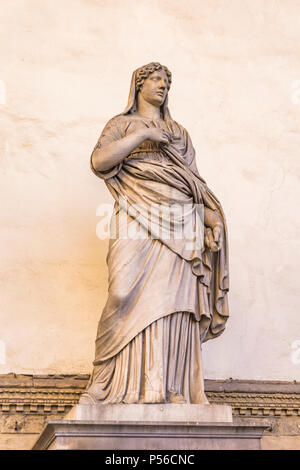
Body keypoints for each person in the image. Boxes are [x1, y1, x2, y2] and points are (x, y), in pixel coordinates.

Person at [80, 62, 229, 404]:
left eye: (167, 81)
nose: (163, 85)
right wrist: (143, 135)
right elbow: (100, 162)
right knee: (122, 293)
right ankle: (108, 383)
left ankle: (169, 387)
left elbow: (194, 185)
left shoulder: (179, 132)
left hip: (181, 218)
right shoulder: (120, 124)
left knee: (174, 302)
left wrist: (211, 219)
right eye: (156, 79)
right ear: (139, 84)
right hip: (134, 212)